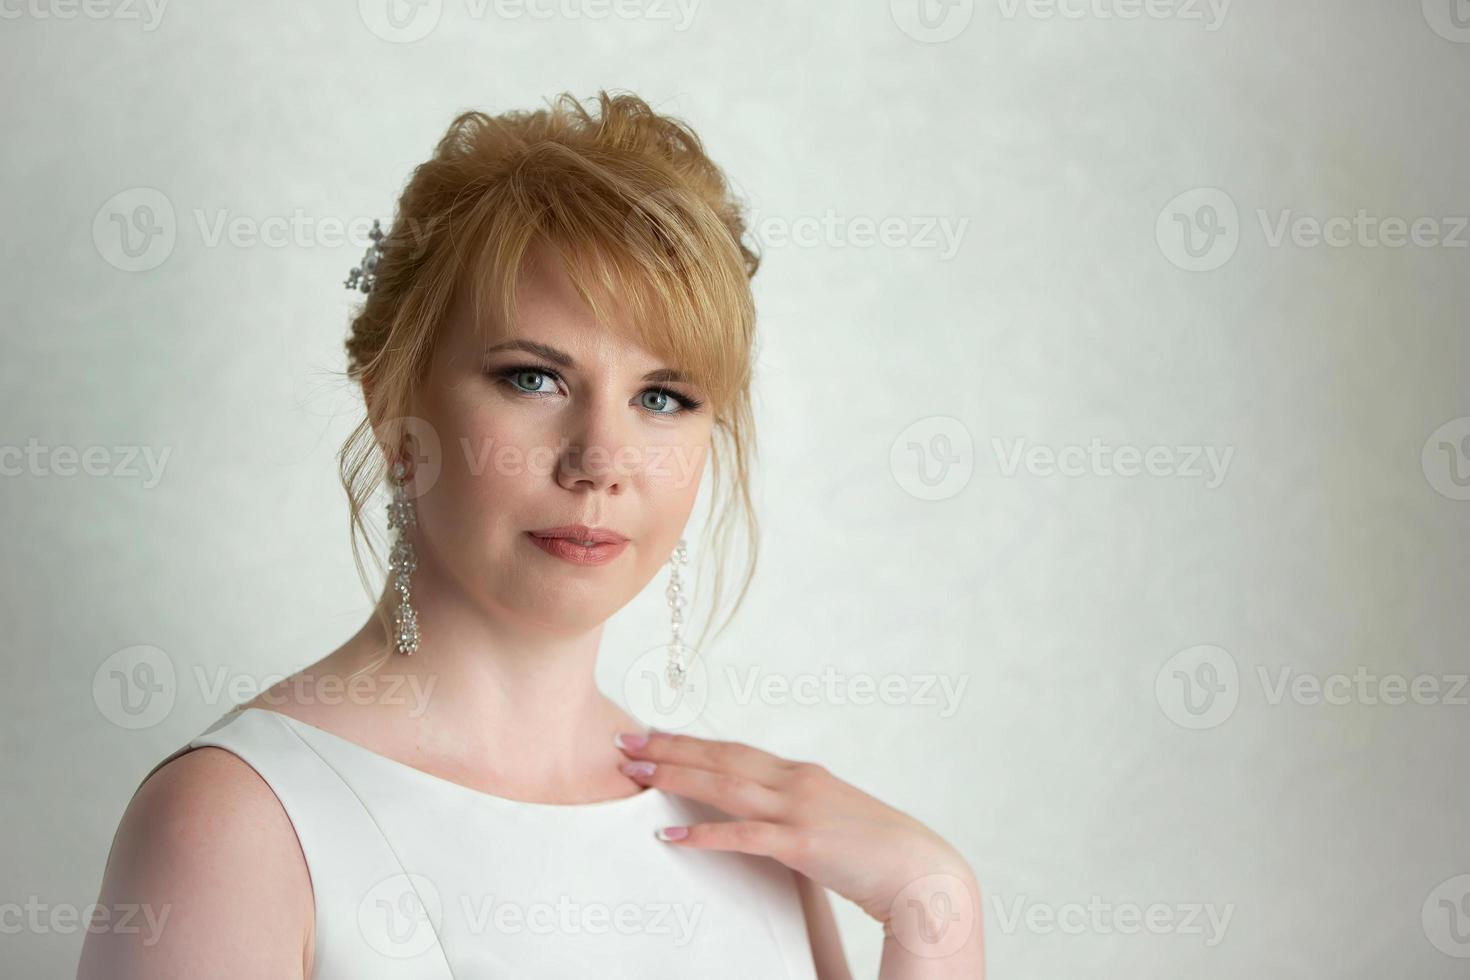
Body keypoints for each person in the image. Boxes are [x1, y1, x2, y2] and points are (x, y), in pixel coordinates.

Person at [78, 89, 984, 979]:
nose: (599, 460)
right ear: (394, 406)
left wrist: (935, 913)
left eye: (662, 398)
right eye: (532, 380)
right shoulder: (239, 823)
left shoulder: (752, 836)